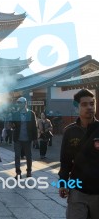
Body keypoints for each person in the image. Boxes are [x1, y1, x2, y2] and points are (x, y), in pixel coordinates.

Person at [58, 89, 99, 218]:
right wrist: (63, 183)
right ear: (77, 107)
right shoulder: (70, 131)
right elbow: (65, 160)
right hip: (77, 189)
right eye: (84, 104)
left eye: (92, 104)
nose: (89, 107)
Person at [11, 97, 38, 178]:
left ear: (25, 103)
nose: (19, 104)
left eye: (20, 103)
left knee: (28, 156)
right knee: (17, 156)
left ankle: (29, 171)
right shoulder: (15, 114)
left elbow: (34, 126)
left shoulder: (31, 113)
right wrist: (12, 124)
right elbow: (13, 126)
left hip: (27, 138)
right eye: (18, 103)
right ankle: (18, 173)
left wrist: (35, 138)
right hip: (18, 138)